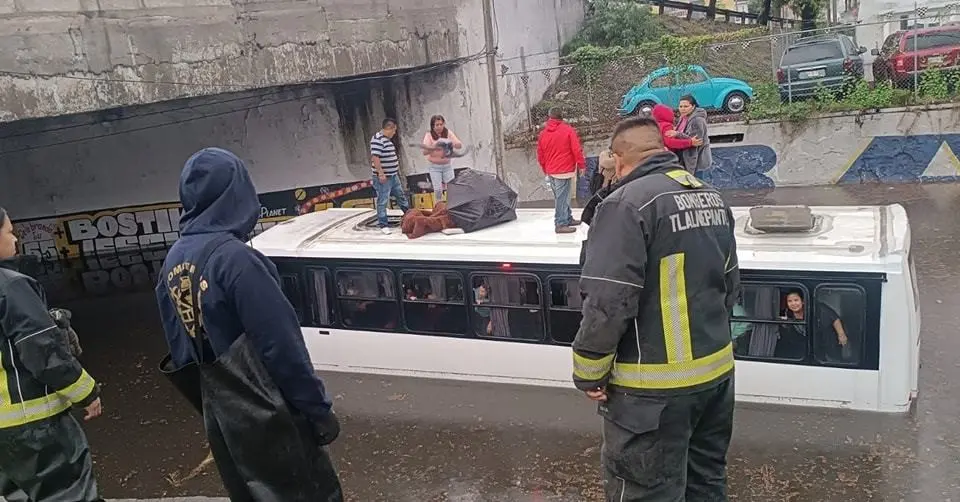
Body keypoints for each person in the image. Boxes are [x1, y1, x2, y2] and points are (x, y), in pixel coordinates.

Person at [155, 147, 343, 501]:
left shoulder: (171, 262)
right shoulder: (237, 261)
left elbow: (181, 356)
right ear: (236, 193)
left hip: (224, 423)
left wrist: (221, 412)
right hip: (274, 419)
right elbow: (282, 347)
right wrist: (317, 410)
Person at [571, 116, 741, 501]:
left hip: (652, 396)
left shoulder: (625, 205)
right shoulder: (710, 195)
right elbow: (730, 287)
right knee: (706, 483)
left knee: (646, 493)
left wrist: (590, 372)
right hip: (716, 381)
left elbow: (608, 300)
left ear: (617, 158)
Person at [0, 207, 104, 502]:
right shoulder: (11, 287)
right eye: (9, 231)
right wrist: (86, 393)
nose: (16, 239)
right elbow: (43, 350)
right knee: (68, 493)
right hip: (34, 428)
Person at [536, 107, 586, 234]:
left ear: (549, 117)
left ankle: (567, 217)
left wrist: (545, 168)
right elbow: (576, 149)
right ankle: (560, 223)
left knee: (562, 196)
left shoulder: (543, 134)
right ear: (561, 117)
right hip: (564, 170)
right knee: (562, 198)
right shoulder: (568, 130)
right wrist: (581, 165)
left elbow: (540, 154)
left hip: (551, 170)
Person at [371, 118, 411, 235]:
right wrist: (381, 173)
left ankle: (409, 215)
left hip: (393, 175)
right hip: (385, 177)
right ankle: (383, 224)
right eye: (394, 130)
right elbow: (375, 158)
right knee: (383, 200)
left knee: (400, 196)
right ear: (389, 128)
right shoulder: (378, 140)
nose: (394, 133)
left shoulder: (387, 140)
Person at [421, 115, 463, 203]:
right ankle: (439, 206)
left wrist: (451, 143)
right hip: (434, 167)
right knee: (438, 190)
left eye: (441, 124)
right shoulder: (429, 135)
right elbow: (424, 152)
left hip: (447, 165)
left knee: (452, 188)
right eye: (437, 125)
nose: (439, 127)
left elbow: (459, 145)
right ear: (433, 126)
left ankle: (452, 205)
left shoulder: (448, 133)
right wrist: (435, 146)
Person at [675, 95, 713, 174]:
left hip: (698, 163)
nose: (683, 109)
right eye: (681, 106)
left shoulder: (697, 120)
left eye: (686, 106)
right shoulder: (683, 118)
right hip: (687, 160)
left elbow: (696, 141)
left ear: (693, 107)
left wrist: (677, 134)